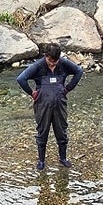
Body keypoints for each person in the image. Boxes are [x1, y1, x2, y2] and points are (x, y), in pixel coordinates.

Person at [16, 43, 83, 172]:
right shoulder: (37, 66)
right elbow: (21, 79)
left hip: (60, 104)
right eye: (50, 61)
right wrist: (32, 93)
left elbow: (79, 71)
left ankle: (63, 158)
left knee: (62, 132)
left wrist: (68, 88)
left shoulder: (63, 63)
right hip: (42, 105)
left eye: (55, 61)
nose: (52, 64)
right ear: (46, 56)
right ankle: (41, 160)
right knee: (42, 132)